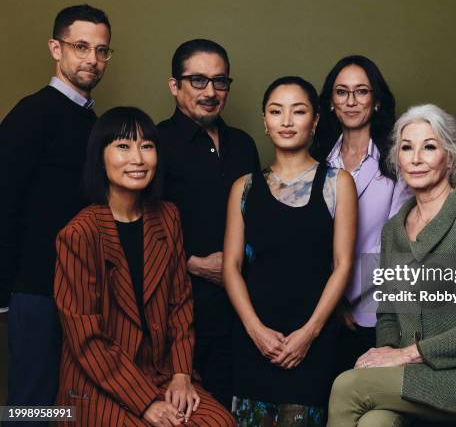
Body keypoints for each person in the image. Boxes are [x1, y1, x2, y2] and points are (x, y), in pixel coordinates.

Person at [327, 104, 456, 427]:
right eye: (406, 147)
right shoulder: (393, 230)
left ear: (450, 155)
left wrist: (404, 355)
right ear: (396, 158)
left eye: (429, 147)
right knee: (375, 423)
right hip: (411, 376)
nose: (415, 158)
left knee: (346, 386)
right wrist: (385, 354)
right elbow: (386, 311)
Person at [54, 107, 235, 427]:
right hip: (97, 385)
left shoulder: (168, 217)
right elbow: (87, 339)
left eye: (147, 146)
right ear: (100, 156)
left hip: (161, 373)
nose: (137, 158)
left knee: (220, 422)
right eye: (123, 146)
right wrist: (146, 402)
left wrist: (181, 374)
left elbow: (180, 304)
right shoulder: (78, 234)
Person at [224, 76, 357, 425]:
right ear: (265, 122)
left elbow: (343, 265)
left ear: (314, 121)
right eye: (275, 111)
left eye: (298, 112)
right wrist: (256, 331)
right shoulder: (244, 187)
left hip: (312, 342)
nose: (286, 121)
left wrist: (309, 333)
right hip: (253, 343)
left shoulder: (337, 183)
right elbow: (231, 267)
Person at [0, 4, 111, 420]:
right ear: (55, 48)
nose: (92, 60)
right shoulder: (31, 114)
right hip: (34, 290)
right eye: (81, 46)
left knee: (70, 404)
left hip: (79, 290)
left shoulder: (91, 121)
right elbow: (3, 200)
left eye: (101, 50)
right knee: (31, 405)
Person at [157, 38, 260, 409]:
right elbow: (139, 226)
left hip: (242, 306)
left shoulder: (244, 145)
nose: (210, 91)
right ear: (175, 86)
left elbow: (259, 219)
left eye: (220, 82)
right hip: (180, 307)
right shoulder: (155, 144)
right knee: (188, 410)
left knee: (236, 406)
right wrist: (191, 264)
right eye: (198, 81)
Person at [311, 55, 410, 372]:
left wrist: (345, 295)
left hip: (374, 310)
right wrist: (331, 299)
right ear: (330, 102)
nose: (351, 101)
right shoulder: (317, 158)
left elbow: (397, 242)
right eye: (342, 92)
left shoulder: (398, 161)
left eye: (362, 91)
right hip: (319, 307)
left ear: (376, 100)